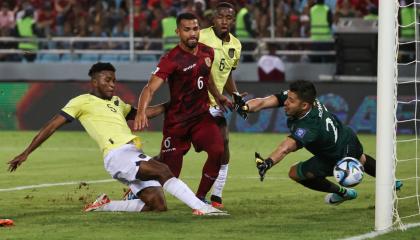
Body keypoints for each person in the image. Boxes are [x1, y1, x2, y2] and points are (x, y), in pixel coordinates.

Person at [8, 62, 226, 216]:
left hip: (130, 153)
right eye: (107, 80)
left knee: (157, 205)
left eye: (114, 80)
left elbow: (145, 112)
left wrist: (172, 103)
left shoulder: (117, 102)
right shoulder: (81, 101)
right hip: (117, 154)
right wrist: (26, 152)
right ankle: (201, 207)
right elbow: (51, 126)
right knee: (163, 170)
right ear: (94, 82)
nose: (112, 84)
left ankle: (103, 205)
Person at [237, 80, 402, 205]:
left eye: (291, 101)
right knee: (361, 159)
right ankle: (390, 181)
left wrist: (268, 162)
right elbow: (264, 101)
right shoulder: (304, 98)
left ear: (304, 105)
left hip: (334, 155)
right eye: (288, 98)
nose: (286, 103)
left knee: (295, 173)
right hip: (347, 136)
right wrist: (245, 107)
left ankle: (343, 193)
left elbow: (286, 147)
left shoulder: (309, 126)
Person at [134, 13, 232, 204]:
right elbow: (150, 88)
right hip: (177, 123)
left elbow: (207, 78)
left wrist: (219, 96)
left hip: (201, 117)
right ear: (178, 32)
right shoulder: (171, 59)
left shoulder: (207, 52)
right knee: (169, 172)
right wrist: (140, 111)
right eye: (187, 30)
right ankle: (136, 188)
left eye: (195, 29)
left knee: (218, 150)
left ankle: (200, 197)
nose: (192, 33)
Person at [198, 2, 244, 208]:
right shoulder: (200, 37)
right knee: (174, 152)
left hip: (215, 104)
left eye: (228, 18)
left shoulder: (236, 45)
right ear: (213, 19)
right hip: (193, 102)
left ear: (233, 21)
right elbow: (199, 72)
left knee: (223, 142)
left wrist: (234, 94)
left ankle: (217, 193)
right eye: (220, 17)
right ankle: (140, 181)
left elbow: (227, 73)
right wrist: (218, 95)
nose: (224, 21)